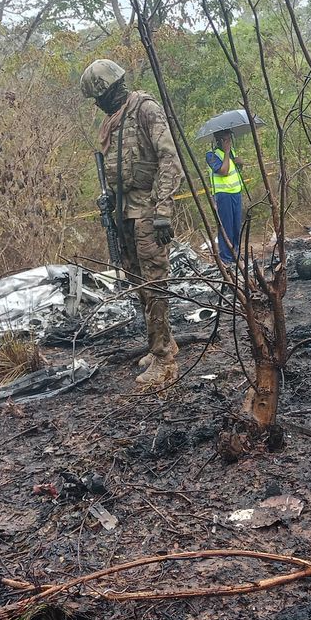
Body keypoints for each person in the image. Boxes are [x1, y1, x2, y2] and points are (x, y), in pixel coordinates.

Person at [80, 58, 182, 386]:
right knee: (140, 282)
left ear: (111, 90)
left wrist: (163, 211)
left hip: (149, 212)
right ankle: (161, 343)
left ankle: (165, 361)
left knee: (154, 284)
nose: (97, 105)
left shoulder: (144, 109)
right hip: (126, 213)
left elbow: (170, 159)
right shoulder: (114, 121)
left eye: (99, 97)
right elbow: (119, 171)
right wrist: (108, 197)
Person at [205, 127, 244, 264]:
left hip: (236, 193)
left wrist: (240, 163)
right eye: (226, 139)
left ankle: (237, 254)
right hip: (223, 195)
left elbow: (235, 170)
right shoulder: (211, 155)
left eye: (230, 139)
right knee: (226, 227)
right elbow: (224, 171)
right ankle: (226, 258)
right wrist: (227, 153)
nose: (229, 142)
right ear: (219, 141)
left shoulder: (232, 153)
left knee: (236, 226)